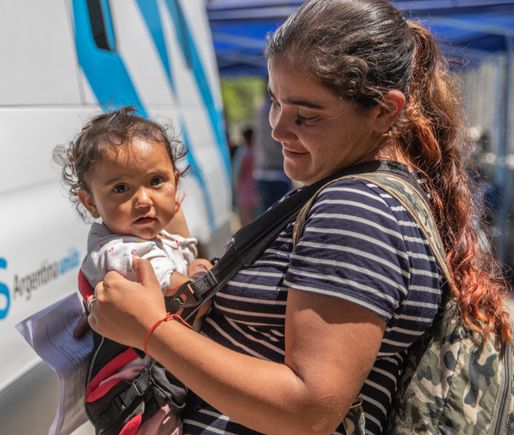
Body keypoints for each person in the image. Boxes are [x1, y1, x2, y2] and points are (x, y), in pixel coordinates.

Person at [84, 1, 513, 434]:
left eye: (305, 115)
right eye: (275, 101)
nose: (278, 129)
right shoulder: (358, 191)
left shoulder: (355, 210)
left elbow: (308, 408)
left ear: (385, 111)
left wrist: (150, 329)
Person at [53, 106, 211, 301]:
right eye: (120, 188)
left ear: (175, 183)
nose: (144, 201)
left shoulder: (157, 235)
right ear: (90, 203)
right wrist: (203, 273)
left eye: (155, 181)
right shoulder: (119, 252)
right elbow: (189, 293)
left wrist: (196, 265)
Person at [253, 99, 293, 214]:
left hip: (262, 173)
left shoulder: (261, 110)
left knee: (265, 219)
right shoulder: (277, 108)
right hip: (278, 174)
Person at [232, 126, 259, 225]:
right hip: (255, 188)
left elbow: (240, 172)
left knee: (245, 218)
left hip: (245, 189)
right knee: (254, 216)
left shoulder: (244, 153)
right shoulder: (257, 151)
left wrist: (236, 185)